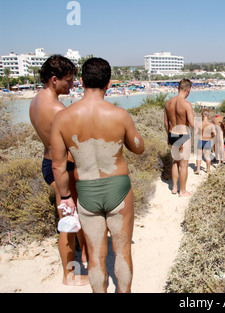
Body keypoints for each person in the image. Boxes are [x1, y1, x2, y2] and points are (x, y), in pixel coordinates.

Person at [50, 57, 145, 293]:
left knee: (94, 256)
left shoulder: (62, 118)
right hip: (119, 189)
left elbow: (58, 166)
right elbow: (138, 147)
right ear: (109, 83)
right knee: (122, 251)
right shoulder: (119, 115)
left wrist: (65, 197)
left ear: (81, 81)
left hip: (87, 191)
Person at [29, 55, 89, 287]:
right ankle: (69, 275)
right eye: (68, 81)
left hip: (50, 163)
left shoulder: (36, 101)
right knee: (68, 220)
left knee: (76, 215)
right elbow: (73, 145)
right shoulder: (56, 108)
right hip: (61, 168)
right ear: (54, 80)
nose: (71, 85)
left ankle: (85, 256)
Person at [164, 79, 195, 197]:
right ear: (188, 90)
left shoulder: (168, 103)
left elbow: (166, 124)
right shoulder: (186, 104)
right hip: (183, 135)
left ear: (178, 88)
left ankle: (174, 187)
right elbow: (192, 124)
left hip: (172, 134)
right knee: (183, 165)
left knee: (175, 162)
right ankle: (182, 191)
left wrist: (168, 136)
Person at [195, 109, 216, 174]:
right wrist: (211, 137)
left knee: (199, 156)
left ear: (202, 116)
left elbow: (195, 133)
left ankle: (198, 170)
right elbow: (214, 134)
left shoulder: (199, 124)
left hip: (200, 140)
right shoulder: (211, 124)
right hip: (208, 140)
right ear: (209, 116)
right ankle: (208, 169)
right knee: (207, 156)